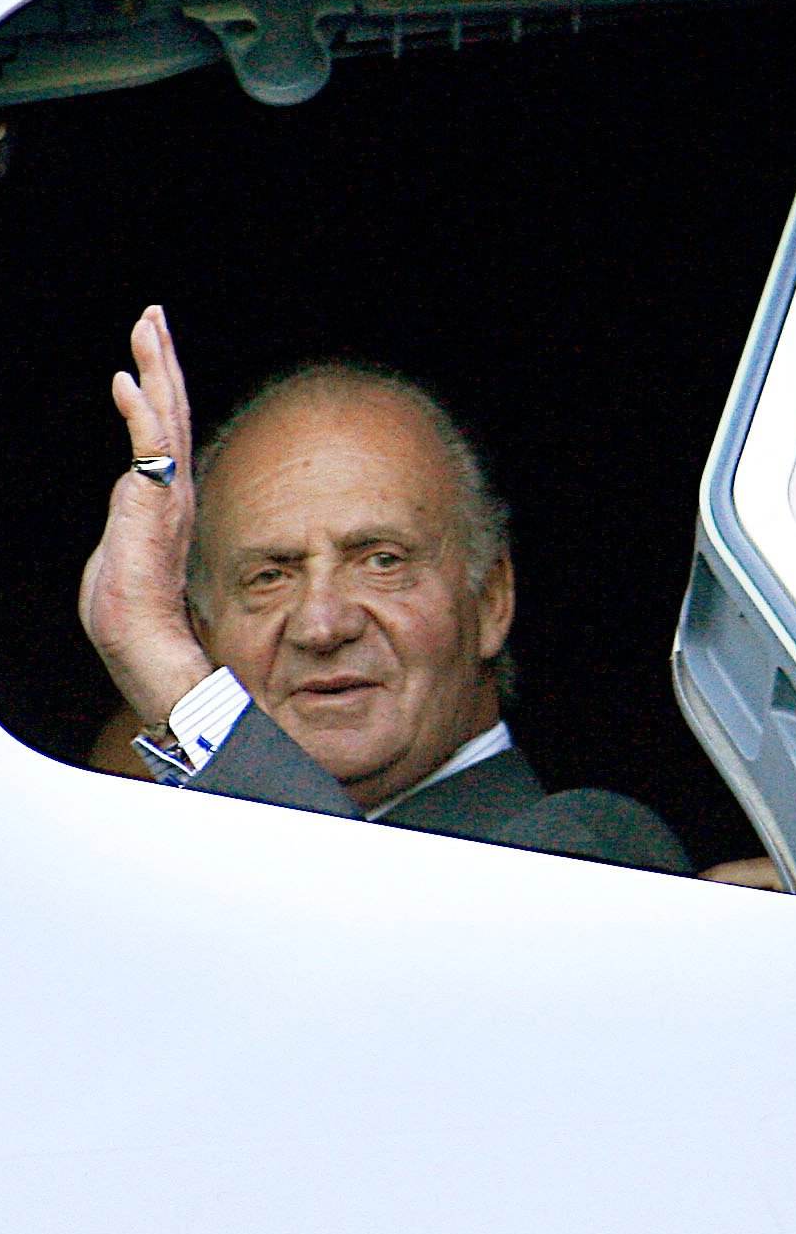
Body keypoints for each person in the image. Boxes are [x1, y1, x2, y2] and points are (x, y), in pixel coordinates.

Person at [75, 304, 689, 872]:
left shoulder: (589, 845)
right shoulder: (179, 873)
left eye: (382, 562)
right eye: (270, 576)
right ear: (205, 631)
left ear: (491, 599)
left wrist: (156, 657)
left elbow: (383, 959)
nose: (321, 625)